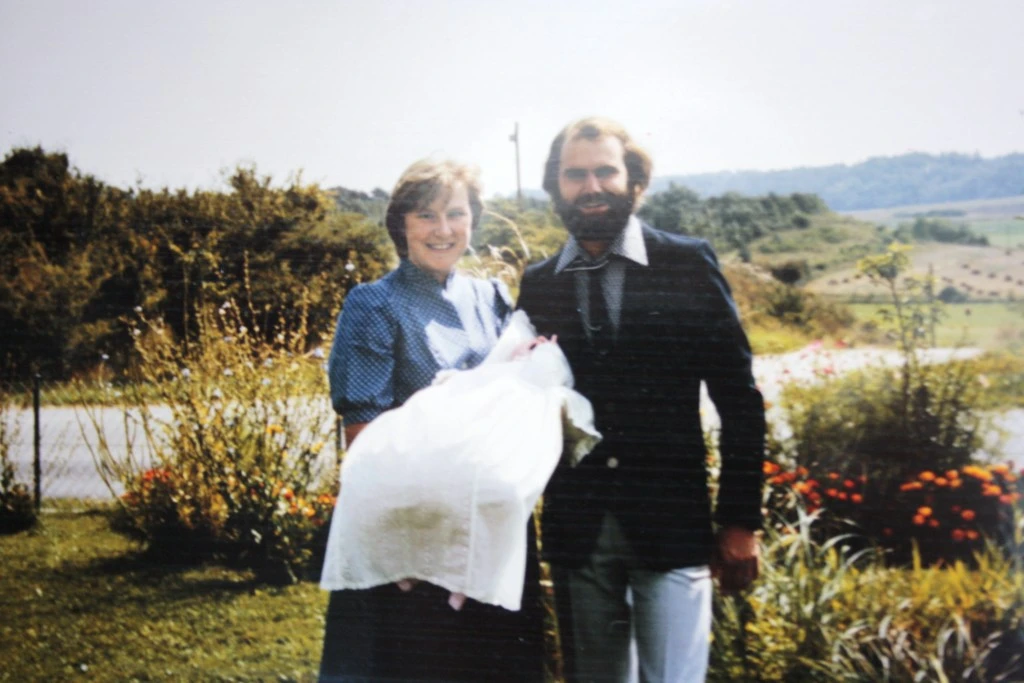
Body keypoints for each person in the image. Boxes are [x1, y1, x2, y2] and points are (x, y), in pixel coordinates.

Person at [516, 117, 766, 683]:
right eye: (575, 175)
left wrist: (739, 521)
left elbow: (739, 400)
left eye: (606, 171)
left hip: (671, 526)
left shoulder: (686, 264)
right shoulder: (539, 283)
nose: (592, 187)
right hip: (579, 532)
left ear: (635, 181)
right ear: (556, 187)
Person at [318, 158, 545, 682]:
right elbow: (364, 440)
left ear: (473, 220)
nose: (443, 229)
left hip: (492, 531)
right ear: (400, 224)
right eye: (426, 215)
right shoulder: (374, 306)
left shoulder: (490, 297)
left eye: (455, 214)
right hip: (413, 535)